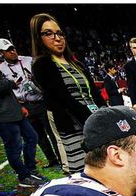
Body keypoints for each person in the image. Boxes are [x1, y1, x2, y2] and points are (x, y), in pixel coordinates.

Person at [30, 13, 106, 174]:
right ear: (38, 37)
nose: (57, 38)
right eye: (48, 33)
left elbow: (94, 92)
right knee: (83, 169)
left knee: (103, 166)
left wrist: (106, 113)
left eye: (59, 33)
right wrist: (93, 119)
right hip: (72, 124)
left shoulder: (76, 63)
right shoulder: (42, 64)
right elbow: (64, 98)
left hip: (93, 120)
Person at [0, 20, 42, 187]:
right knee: (14, 146)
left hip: (10, 109)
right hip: (1, 113)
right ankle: (24, 176)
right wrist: (11, 82)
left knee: (31, 137)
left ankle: (30, 169)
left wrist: (18, 106)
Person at [0, 37, 61, 169]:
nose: (12, 52)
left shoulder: (28, 60)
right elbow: (5, 89)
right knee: (38, 136)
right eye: (8, 51)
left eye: (13, 48)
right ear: (1, 53)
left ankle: (61, 158)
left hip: (40, 101)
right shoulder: (1, 69)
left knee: (53, 133)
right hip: (25, 106)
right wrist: (18, 105)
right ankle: (52, 159)